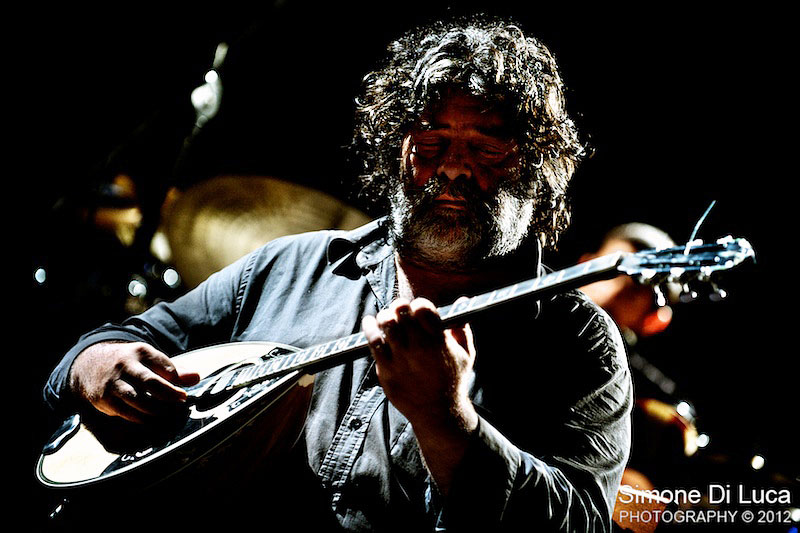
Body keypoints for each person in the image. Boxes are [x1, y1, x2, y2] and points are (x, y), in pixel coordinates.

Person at [42, 15, 632, 532]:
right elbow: (112, 345)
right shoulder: (291, 265)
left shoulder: (578, 342)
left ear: (537, 167)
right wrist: (95, 364)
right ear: (397, 149)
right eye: (430, 141)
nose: (453, 168)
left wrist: (447, 420)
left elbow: (576, 523)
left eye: (486, 147)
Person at [578, 223, 699, 492]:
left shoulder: (653, 398)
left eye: (635, 285)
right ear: (584, 262)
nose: (615, 287)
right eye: (610, 270)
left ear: (654, 320)